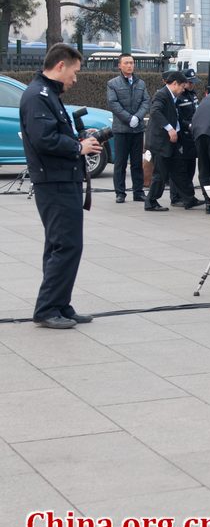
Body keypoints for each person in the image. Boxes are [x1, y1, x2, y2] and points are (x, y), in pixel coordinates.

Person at [21, 43, 102, 329]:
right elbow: (44, 139)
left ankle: (59, 303)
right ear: (60, 67)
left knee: (61, 245)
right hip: (53, 181)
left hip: (61, 179)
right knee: (66, 245)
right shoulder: (37, 96)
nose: (75, 79)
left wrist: (79, 142)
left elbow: (53, 133)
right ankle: (46, 308)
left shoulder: (47, 95)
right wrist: (78, 147)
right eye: (75, 72)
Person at [106, 52, 150, 203]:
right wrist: (128, 118)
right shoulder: (113, 83)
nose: (130, 65)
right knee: (120, 163)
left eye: (131, 63)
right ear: (120, 65)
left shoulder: (140, 83)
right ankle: (120, 192)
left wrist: (137, 117)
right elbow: (113, 104)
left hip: (137, 129)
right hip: (121, 129)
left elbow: (146, 102)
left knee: (137, 162)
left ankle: (138, 192)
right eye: (126, 63)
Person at [144, 70, 187, 211]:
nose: (182, 91)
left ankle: (188, 197)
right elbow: (155, 111)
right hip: (160, 141)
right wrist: (170, 128)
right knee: (160, 173)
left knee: (178, 168)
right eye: (181, 87)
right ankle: (151, 201)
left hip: (169, 141)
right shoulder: (162, 94)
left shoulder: (171, 96)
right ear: (175, 84)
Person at [170, 68, 204, 209]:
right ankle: (176, 197)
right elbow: (176, 118)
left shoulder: (192, 95)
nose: (191, 85)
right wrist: (188, 125)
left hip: (192, 136)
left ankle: (188, 195)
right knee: (180, 168)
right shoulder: (178, 97)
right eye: (189, 83)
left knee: (190, 167)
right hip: (182, 136)